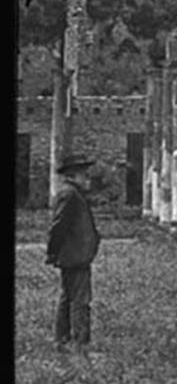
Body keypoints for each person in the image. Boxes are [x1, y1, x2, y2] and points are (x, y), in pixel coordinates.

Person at [46, 153, 101, 358]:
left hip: (74, 255)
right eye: (83, 174)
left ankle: (62, 341)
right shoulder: (70, 195)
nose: (87, 178)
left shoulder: (73, 194)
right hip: (75, 256)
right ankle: (81, 346)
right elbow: (58, 226)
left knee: (68, 297)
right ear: (72, 176)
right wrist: (53, 251)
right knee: (80, 300)